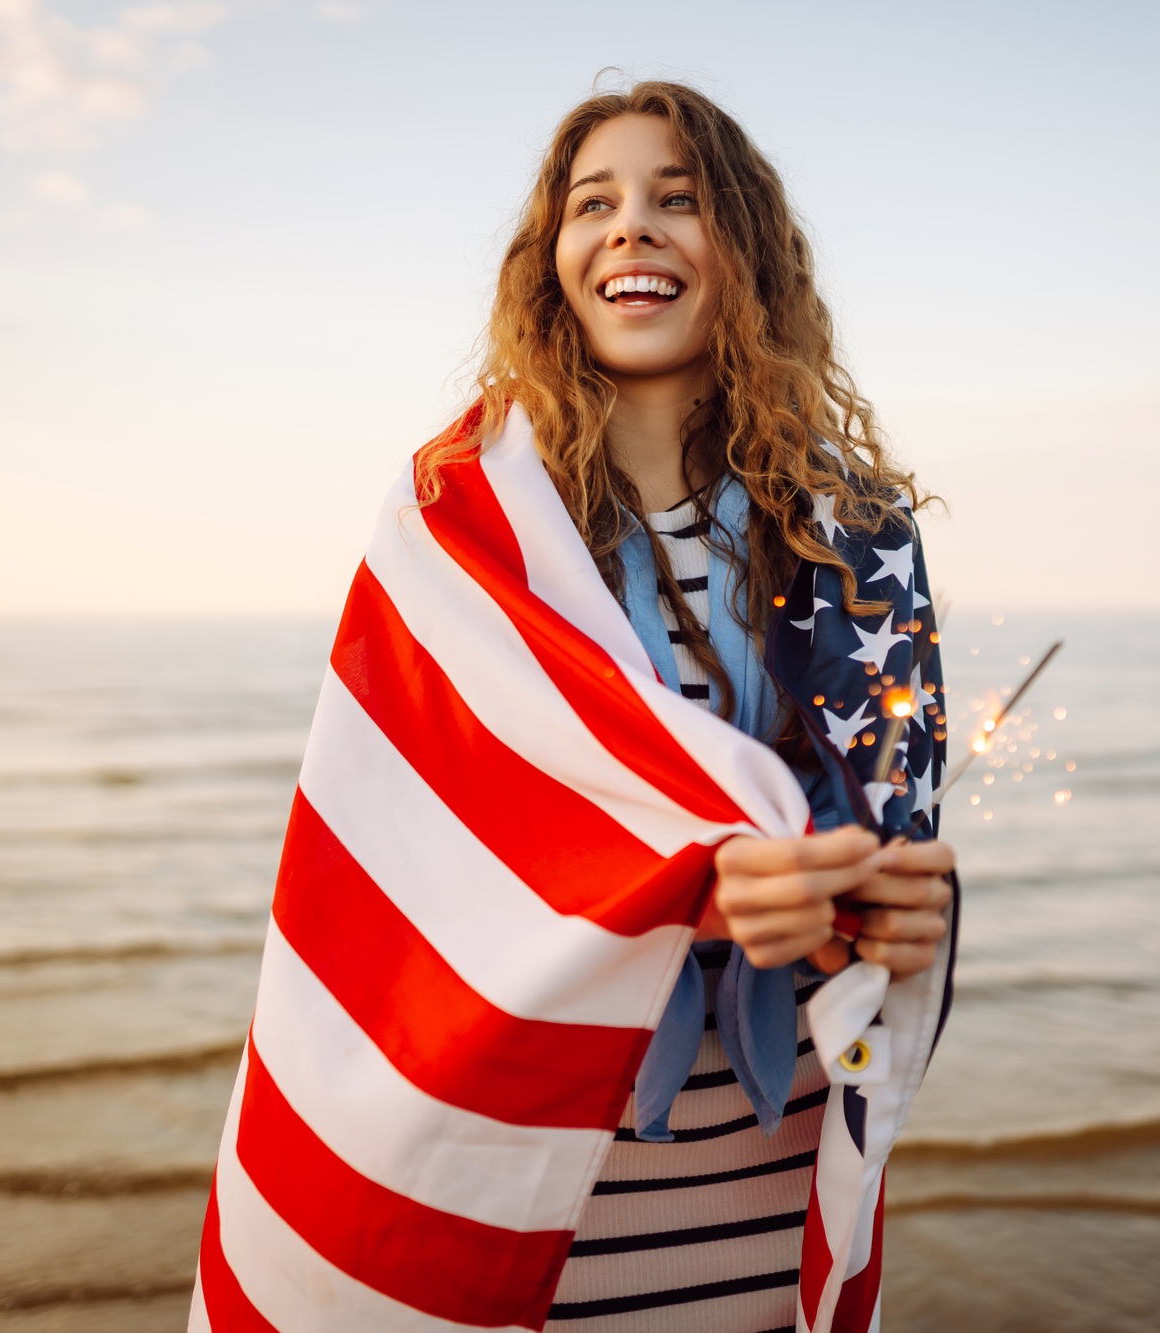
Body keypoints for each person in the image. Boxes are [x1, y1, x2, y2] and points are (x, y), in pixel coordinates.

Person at [190, 79, 955, 1333]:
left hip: (769, 1163)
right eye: (593, 203)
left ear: (745, 253)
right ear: (552, 260)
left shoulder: (853, 535)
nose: (631, 228)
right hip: (532, 1161)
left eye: (678, 200)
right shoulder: (457, 522)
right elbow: (406, 837)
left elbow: (891, 836)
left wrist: (875, 901)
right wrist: (684, 866)